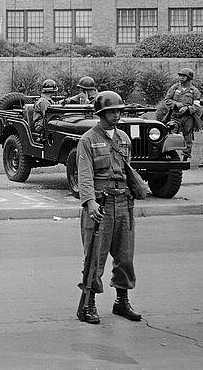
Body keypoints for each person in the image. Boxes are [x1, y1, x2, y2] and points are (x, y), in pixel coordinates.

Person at [75, 91, 142, 325]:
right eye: (112, 111)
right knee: (95, 255)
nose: (116, 115)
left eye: (118, 111)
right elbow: (85, 174)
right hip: (100, 203)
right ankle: (89, 304)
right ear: (101, 114)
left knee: (125, 256)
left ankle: (121, 301)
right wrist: (90, 201)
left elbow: (127, 169)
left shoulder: (124, 138)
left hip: (123, 202)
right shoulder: (88, 139)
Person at [160, 67, 202, 164]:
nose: (181, 78)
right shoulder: (174, 88)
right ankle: (171, 156)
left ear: (189, 78)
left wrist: (187, 108)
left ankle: (185, 157)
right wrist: (176, 104)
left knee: (188, 136)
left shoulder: (194, 91)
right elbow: (167, 100)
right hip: (175, 116)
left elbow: (196, 105)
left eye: (184, 76)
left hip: (188, 117)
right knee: (171, 135)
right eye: (180, 76)